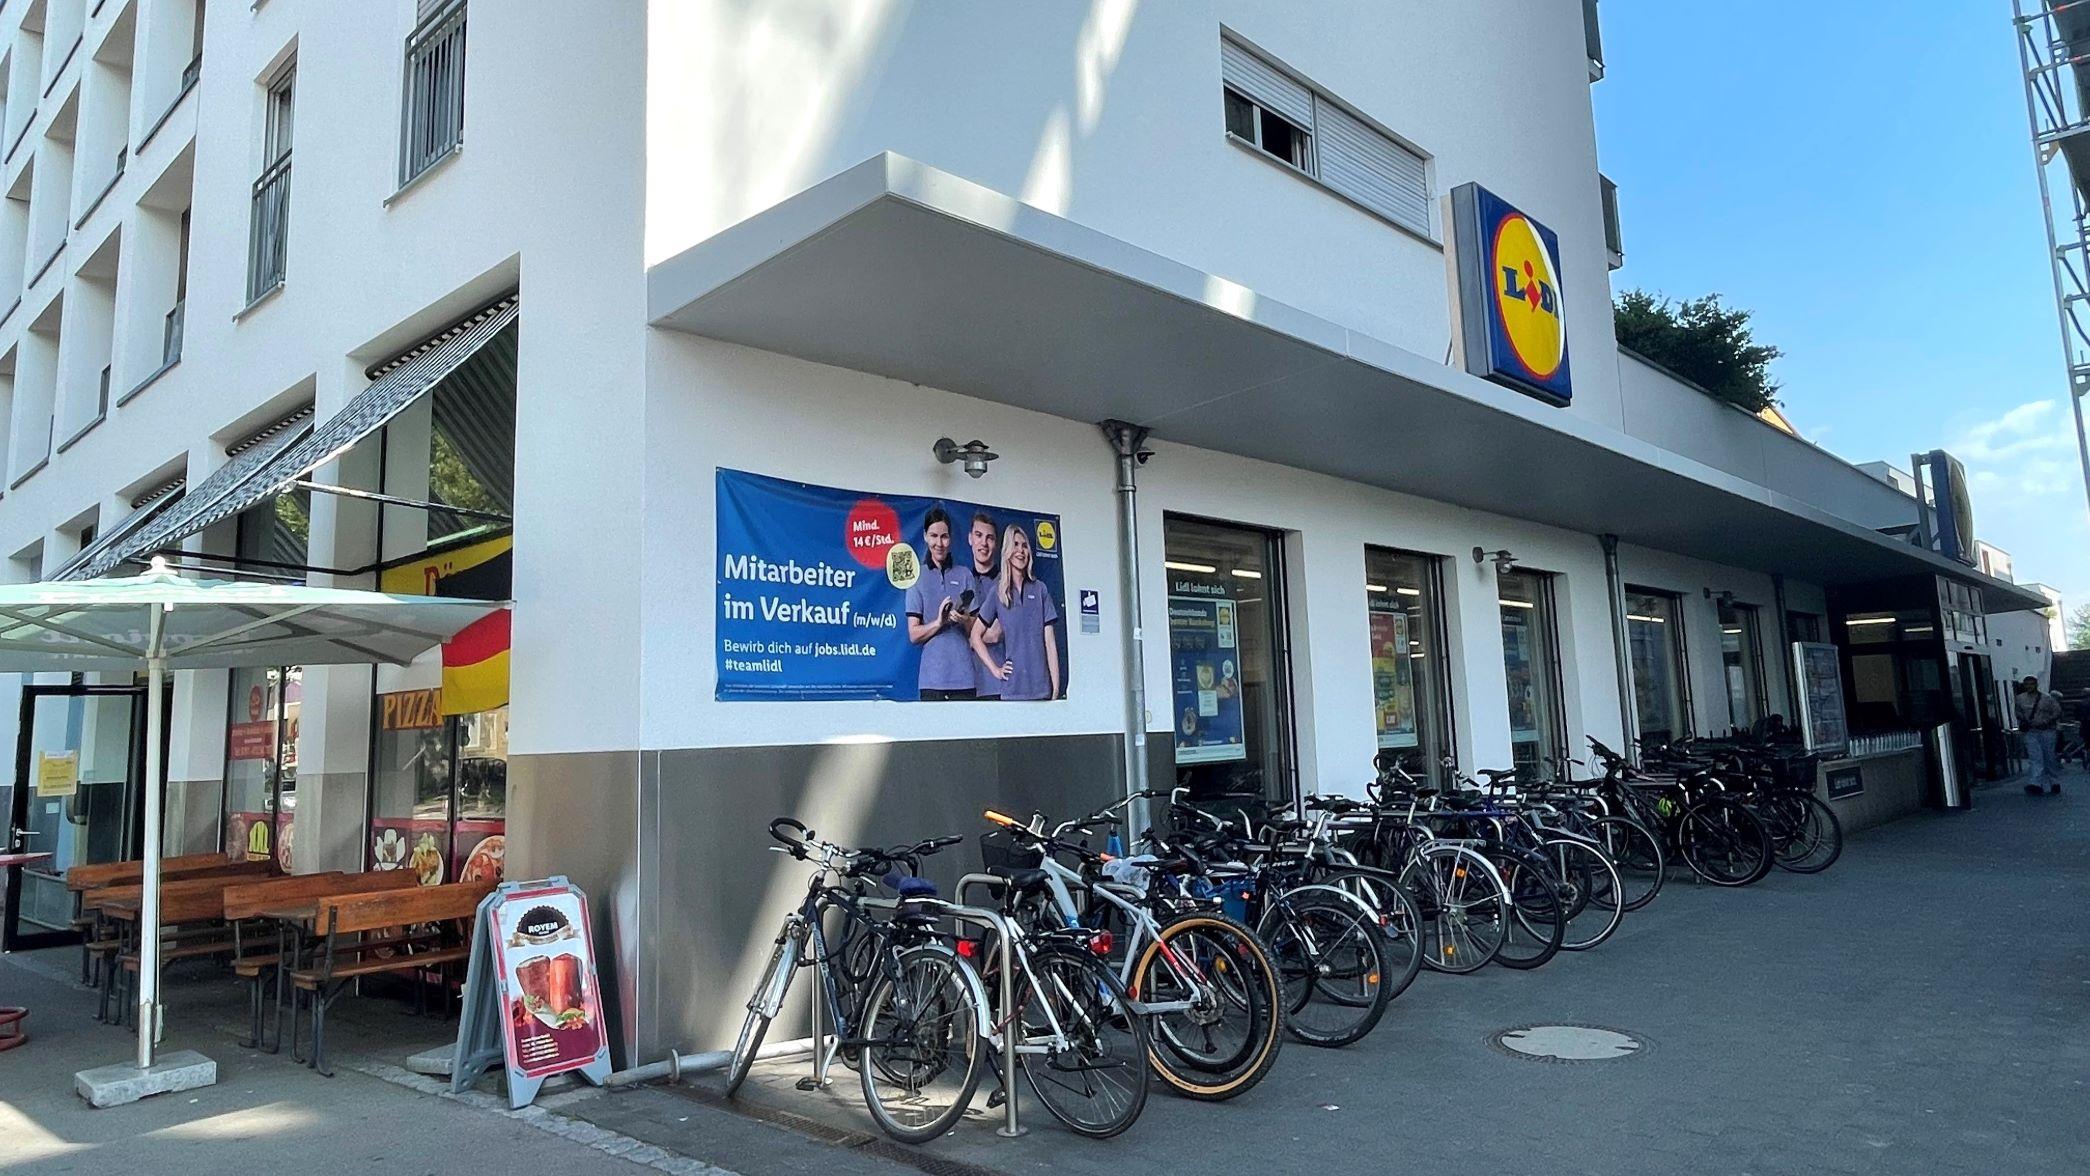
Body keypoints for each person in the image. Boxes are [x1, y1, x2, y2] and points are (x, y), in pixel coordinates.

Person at [970, 523, 1062, 701]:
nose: (1021, 550)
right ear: (1007, 551)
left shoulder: (1040, 589)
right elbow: (975, 636)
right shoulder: (998, 592)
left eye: (1024, 545)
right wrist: (996, 670)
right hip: (1012, 691)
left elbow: (1050, 643)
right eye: (1016, 545)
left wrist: (1055, 688)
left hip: (1041, 690)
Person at [903, 507, 980, 700]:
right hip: (932, 681)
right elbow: (913, 634)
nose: (939, 543)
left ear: (951, 539)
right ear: (925, 537)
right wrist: (939, 621)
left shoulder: (964, 575)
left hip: (965, 679)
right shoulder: (916, 577)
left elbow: (977, 630)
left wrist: (963, 620)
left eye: (944, 537)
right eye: (934, 536)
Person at [965, 511, 1004, 700]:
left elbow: (995, 634)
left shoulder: (1006, 583)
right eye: (979, 536)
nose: (984, 543)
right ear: (970, 538)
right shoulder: (961, 580)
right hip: (966, 683)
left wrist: (970, 634)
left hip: (998, 684)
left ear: (996, 544)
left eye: (989, 538)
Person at [2019, 676, 2065, 796]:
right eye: (2027, 684)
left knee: (2049, 757)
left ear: (2036, 685)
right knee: (2035, 758)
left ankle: (2053, 781)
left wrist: (2046, 721)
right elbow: (2019, 713)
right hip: (2031, 731)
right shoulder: (2020, 699)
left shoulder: (2047, 699)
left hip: (2047, 730)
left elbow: (2057, 712)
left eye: (2031, 684)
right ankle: (2036, 783)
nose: (2029, 686)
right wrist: (2025, 721)